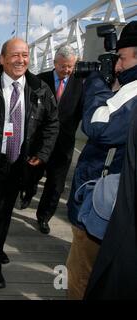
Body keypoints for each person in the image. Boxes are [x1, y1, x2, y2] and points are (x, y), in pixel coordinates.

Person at [0, 38, 59, 289]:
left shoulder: (40, 89)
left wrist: (42, 154)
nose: (21, 60)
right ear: (1, 58)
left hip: (19, 162)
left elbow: (52, 124)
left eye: (25, 55)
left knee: (5, 213)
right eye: (14, 55)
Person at [66, 20, 137, 300]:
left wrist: (96, 82)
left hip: (104, 206)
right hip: (117, 203)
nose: (117, 66)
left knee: (81, 272)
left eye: (122, 57)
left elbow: (99, 126)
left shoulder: (132, 92)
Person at [32, 45, 84, 234]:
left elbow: (80, 111)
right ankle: (28, 192)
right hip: (40, 142)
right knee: (32, 174)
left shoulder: (80, 83)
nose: (67, 70)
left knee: (56, 183)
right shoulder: (40, 80)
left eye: (70, 66)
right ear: (55, 63)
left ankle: (44, 217)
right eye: (63, 66)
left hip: (64, 143)